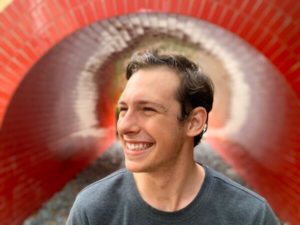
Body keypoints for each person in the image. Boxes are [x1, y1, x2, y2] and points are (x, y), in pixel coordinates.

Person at [67, 50, 280, 225]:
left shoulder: (250, 216)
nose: (125, 126)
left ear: (194, 122)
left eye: (148, 109)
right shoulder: (92, 211)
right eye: (123, 110)